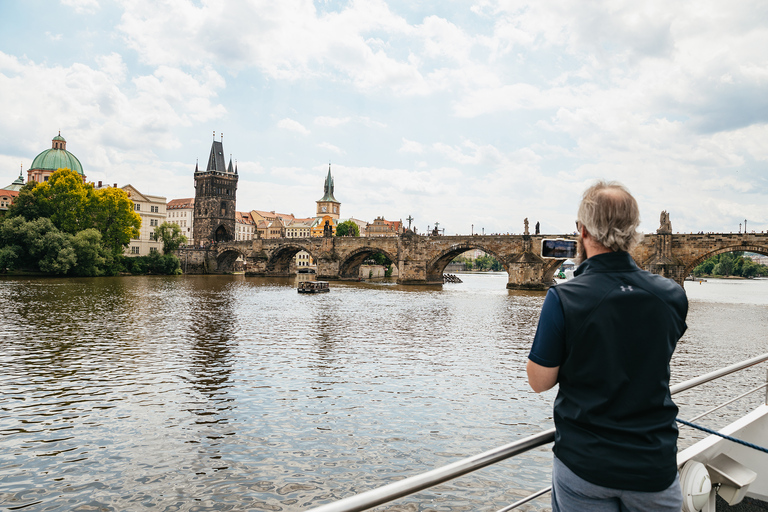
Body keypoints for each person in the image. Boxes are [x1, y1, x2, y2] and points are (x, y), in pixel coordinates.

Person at [527, 180, 688, 512]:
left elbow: (539, 382)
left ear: (582, 231)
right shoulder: (672, 295)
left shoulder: (565, 298)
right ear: (633, 232)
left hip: (587, 464)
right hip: (653, 463)